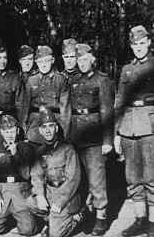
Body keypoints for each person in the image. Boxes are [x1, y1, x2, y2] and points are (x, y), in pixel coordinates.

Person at [114, 25, 154, 237]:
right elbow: (119, 101)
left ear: (148, 42)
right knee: (133, 177)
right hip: (128, 125)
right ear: (131, 46)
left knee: (151, 177)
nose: (138, 47)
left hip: (150, 125)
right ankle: (139, 220)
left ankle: (152, 224)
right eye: (134, 44)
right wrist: (117, 132)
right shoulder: (126, 69)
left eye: (142, 43)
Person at [70, 43, 113, 236]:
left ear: (92, 60)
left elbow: (106, 111)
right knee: (80, 179)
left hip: (95, 135)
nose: (82, 62)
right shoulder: (74, 80)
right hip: (76, 136)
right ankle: (85, 214)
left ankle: (101, 217)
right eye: (79, 60)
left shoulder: (101, 80)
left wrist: (107, 140)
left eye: (85, 59)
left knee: (97, 179)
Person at [30, 107, 83, 237]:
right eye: (44, 127)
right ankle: (52, 220)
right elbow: (36, 175)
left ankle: (77, 217)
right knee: (30, 203)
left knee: (54, 235)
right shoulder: (40, 151)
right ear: (40, 131)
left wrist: (60, 202)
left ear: (56, 128)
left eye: (51, 126)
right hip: (49, 191)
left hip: (66, 194)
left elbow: (73, 179)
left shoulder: (68, 149)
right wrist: (40, 195)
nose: (48, 130)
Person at [0, 115, 39, 236]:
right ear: (1, 132)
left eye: (12, 131)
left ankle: (22, 217)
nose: (9, 134)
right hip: (3, 192)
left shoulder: (26, 148)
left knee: (28, 230)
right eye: (6, 131)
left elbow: (26, 174)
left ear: (18, 131)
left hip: (20, 191)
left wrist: (16, 155)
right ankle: (8, 217)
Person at [25, 45, 71, 146]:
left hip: (54, 123)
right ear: (36, 62)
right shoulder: (31, 80)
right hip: (35, 125)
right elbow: (25, 108)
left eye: (47, 60)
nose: (44, 64)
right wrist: (25, 130)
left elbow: (65, 110)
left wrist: (65, 134)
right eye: (40, 61)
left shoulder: (60, 80)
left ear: (53, 60)